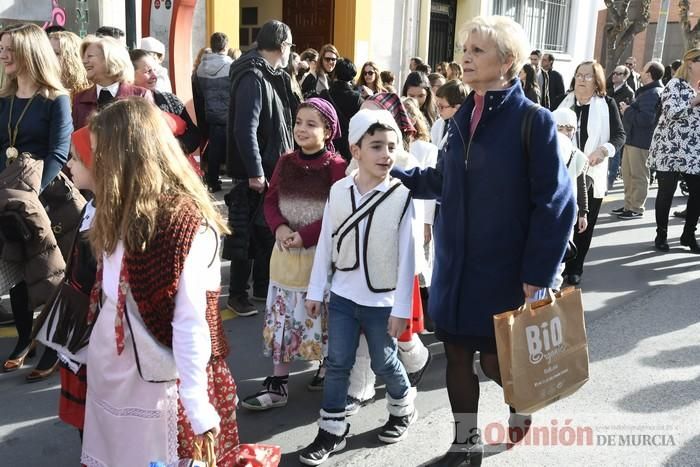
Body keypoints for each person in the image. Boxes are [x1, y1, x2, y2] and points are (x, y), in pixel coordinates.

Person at [393, 16, 576, 465]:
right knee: (455, 355)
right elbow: (445, 180)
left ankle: (521, 402)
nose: (466, 58)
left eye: (477, 50)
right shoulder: (460, 119)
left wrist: (538, 274)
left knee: (497, 363)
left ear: (507, 61)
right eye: (465, 49)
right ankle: (464, 449)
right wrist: (398, 171)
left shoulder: (532, 121)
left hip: (504, 270)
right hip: (455, 268)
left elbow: (556, 203)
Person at [81, 97, 239, 465]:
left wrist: (198, 406)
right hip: (116, 366)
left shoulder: (184, 224)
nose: (93, 163)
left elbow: (190, 322)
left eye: (99, 154)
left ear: (124, 158)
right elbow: (109, 292)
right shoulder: (115, 207)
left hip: (166, 376)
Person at [299, 109, 418, 465]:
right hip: (344, 295)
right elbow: (326, 242)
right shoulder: (339, 190)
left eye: (392, 147)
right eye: (377, 146)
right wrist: (316, 290)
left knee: (383, 361)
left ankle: (403, 406)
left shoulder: (401, 194)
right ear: (356, 149)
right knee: (337, 363)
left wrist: (401, 309)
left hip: (382, 300)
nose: (386, 155)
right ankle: (331, 430)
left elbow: (408, 256)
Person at [240, 98, 347, 412]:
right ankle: (278, 383)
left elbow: (335, 212)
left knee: (321, 317)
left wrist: (306, 235)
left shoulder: (336, 167)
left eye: (311, 124)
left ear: (328, 131)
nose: (302, 129)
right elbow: (271, 201)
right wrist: (280, 229)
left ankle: (326, 366)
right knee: (282, 319)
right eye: (298, 122)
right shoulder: (285, 161)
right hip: (285, 254)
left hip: (318, 257)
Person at [0, 23, 73, 378]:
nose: (2, 54)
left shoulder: (56, 98)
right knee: (15, 269)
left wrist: (31, 197)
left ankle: (50, 343)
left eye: (9, 47)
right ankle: (25, 338)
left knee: (46, 272)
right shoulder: (4, 98)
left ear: (30, 51)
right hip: (7, 197)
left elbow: (59, 152)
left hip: (45, 198)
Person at [225, 20, 296, 317]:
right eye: (290, 46)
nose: (291, 51)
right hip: (255, 174)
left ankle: (260, 288)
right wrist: (255, 171)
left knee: (264, 234)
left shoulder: (269, 73)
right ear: (282, 47)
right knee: (244, 236)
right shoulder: (254, 76)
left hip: (269, 169)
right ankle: (238, 294)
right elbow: (246, 128)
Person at [33, 126, 97, 440]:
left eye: (76, 158)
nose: (68, 165)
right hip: (81, 324)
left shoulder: (107, 213)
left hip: (96, 330)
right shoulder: (92, 206)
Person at [558, 61, 625, 285]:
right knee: (560, 219)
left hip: (592, 170)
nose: (581, 79)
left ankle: (576, 267)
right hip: (565, 170)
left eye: (587, 76)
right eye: (578, 75)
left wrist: (603, 150)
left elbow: (619, 135)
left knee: (584, 220)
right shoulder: (564, 102)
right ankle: (559, 263)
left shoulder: (607, 104)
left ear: (597, 82)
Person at [649, 48, 700, 253]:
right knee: (666, 194)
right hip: (669, 149)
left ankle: (688, 234)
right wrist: (694, 100)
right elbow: (670, 113)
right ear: (690, 63)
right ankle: (661, 234)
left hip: (693, 150)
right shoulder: (674, 85)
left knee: (697, 193)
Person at [612, 61, 664, 220]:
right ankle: (629, 205)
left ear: (649, 74)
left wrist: (627, 110)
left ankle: (636, 208)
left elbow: (646, 119)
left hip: (641, 141)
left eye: (644, 69)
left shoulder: (653, 93)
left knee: (638, 176)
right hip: (633, 138)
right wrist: (629, 109)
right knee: (628, 175)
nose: (640, 72)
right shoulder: (648, 91)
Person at [72, 35, 152, 129]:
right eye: (84, 57)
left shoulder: (140, 96)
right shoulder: (80, 99)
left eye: (90, 56)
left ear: (110, 59)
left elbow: (149, 136)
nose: (84, 61)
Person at [130, 49, 200, 155]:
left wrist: (173, 149)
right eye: (148, 71)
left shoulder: (170, 100)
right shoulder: (124, 107)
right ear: (131, 74)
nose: (154, 76)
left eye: (154, 70)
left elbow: (194, 134)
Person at [195, 32, 232, 192]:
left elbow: (198, 91)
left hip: (210, 113)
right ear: (225, 46)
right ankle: (234, 180)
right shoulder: (231, 65)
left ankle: (213, 180)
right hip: (229, 113)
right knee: (233, 148)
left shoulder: (201, 68)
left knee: (214, 150)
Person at [320, 58, 362, 162]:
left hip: (328, 141)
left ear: (335, 73)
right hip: (349, 144)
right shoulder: (357, 97)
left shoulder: (324, 94)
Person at [606, 64, 634, 189]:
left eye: (618, 74)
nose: (614, 75)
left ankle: (609, 182)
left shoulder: (628, 92)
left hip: (617, 128)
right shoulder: (609, 88)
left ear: (625, 77)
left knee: (614, 156)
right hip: (605, 125)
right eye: (614, 73)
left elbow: (626, 113)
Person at [48, 31, 91, 99]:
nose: (49, 58)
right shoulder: (42, 90)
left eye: (57, 53)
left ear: (73, 58)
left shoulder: (91, 92)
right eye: (48, 53)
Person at [431, 79, 468, 149]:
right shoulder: (438, 124)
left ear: (457, 108)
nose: (438, 110)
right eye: (437, 105)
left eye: (441, 107)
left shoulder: (466, 130)